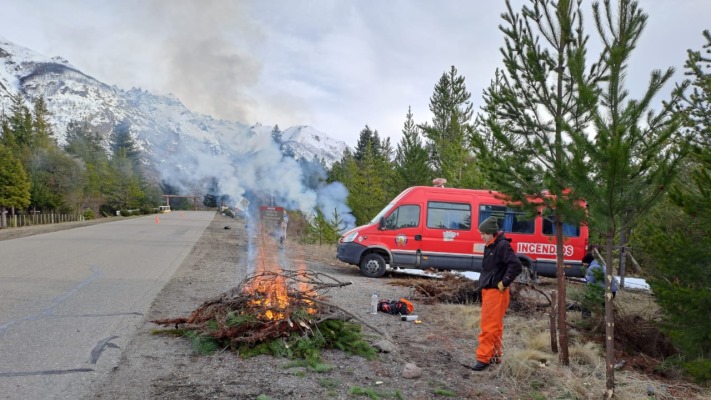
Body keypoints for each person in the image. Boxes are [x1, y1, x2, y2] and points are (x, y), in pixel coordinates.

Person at [472, 216, 523, 371]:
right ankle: (494, 355)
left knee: (488, 326)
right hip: (490, 291)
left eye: (483, 234)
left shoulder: (501, 246)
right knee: (495, 326)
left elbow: (516, 265)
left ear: (491, 233)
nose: (481, 237)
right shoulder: (491, 245)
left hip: (496, 292)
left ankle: (483, 359)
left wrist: (504, 282)